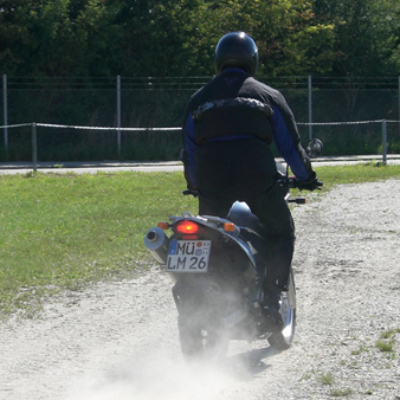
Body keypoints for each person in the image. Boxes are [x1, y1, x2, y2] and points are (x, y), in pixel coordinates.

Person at [181, 32, 322, 331]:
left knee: (210, 238)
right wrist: (307, 177)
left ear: (219, 61)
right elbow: (290, 147)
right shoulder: (269, 96)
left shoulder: (198, 99)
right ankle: (270, 301)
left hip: (212, 180)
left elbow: (190, 152)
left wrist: (194, 184)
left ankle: (216, 293)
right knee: (282, 233)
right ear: (252, 60)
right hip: (257, 178)